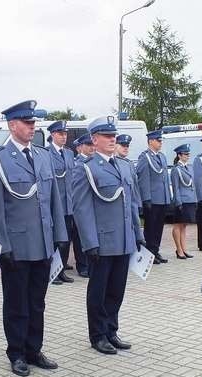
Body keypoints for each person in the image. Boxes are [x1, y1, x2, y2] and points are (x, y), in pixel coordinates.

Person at [0, 100, 68, 377]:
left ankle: (34, 349)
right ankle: (17, 352)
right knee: (16, 302)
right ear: (13, 125)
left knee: (37, 301)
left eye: (34, 123)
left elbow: (54, 200)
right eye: (27, 122)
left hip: (43, 242)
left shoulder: (43, 156)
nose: (32, 127)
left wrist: (59, 235)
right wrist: (2, 245)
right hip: (17, 245)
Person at [73, 116, 144, 355]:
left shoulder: (124, 165)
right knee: (99, 290)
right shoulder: (86, 168)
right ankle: (98, 334)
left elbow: (132, 204)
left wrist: (137, 232)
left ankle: (112, 330)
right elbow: (82, 209)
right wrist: (90, 242)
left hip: (124, 238)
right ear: (94, 139)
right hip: (102, 241)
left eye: (113, 135)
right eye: (106, 136)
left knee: (117, 289)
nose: (112, 139)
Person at [136, 129, 171, 264]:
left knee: (159, 228)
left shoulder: (161, 156)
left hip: (162, 198)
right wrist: (146, 198)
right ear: (150, 141)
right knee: (150, 228)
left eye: (161, 140)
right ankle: (149, 253)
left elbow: (164, 179)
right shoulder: (145, 157)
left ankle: (155, 251)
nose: (160, 143)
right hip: (152, 199)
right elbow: (143, 179)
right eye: (158, 140)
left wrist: (167, 197)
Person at [47, 120, 75, 284]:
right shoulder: (46, 154)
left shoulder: (69, 154)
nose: (64, 137)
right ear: (52, 135)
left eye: (65, 134)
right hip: (54, 205)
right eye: (60, 134)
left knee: (65, 240)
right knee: (55, 240)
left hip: (68, 205)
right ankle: (52, 271)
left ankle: (62, 269)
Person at [71, 133, 93, 278]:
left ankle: (90, 263)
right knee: (80, 237)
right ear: (80, 148)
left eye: (92, 144)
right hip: (81, 205)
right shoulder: (77, 164)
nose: (91, 148)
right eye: (88, 145)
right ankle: (82, 265)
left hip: (94, 207)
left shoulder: (95, 162)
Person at [170, 144, 196, 259]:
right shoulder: (176, 169)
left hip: (189, 199)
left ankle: (184, 249)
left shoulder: (188, 167)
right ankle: (179, 250)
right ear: (179, 155)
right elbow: (176, 187)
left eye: (188, 154)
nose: (187, 156)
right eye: (185, 154)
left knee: (184, 225)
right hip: (181, 200)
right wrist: (178, 202)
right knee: (178, 225)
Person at [115, 134, 141, 207]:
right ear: (115, 146)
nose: (126, 148)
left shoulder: (130, 164)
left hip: (131, 204)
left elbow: (135, 187)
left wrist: (138, 204)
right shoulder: (112, 163)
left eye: (127, 146)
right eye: (123, 145)